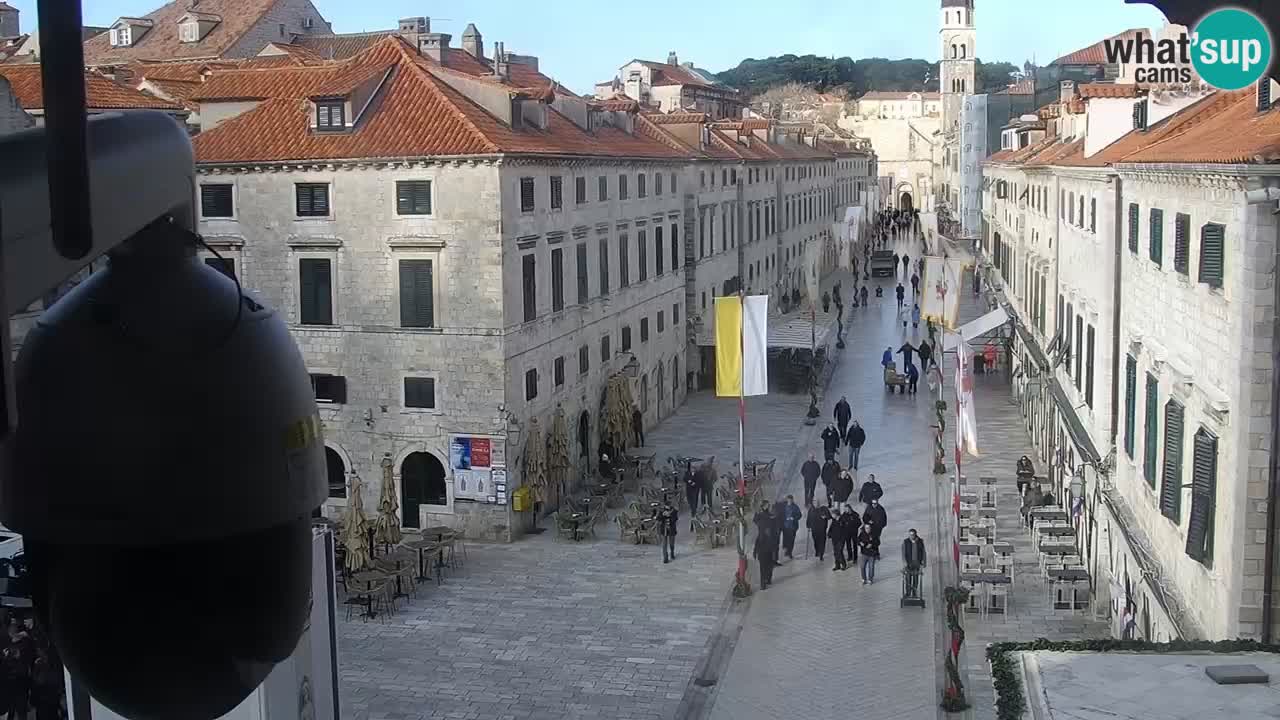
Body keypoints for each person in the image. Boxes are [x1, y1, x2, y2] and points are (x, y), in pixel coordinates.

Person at [753, 502, 778, 589]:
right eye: (766, 505)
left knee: (769, 564)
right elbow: (755, 520)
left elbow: (776, 529)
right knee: (763, 566)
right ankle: (763, 582)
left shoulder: (772, 516)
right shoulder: (761, 516)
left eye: (768, 505)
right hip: (762, 546)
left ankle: (768, 578)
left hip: (769, 546)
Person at [903, 529, 927, 598]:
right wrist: (904, 563)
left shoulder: (920, 541)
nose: (911, 536)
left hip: (917, 563)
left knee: (916, 579)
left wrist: (923, 563)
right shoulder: (906, 542)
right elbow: (903, 553)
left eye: (912, 534)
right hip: (909, 564)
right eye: (910, 534)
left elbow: (923, 552)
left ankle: (914, 592)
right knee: (908, 579)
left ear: (915, 534)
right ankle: (907, 593)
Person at [656, 499, 678, 563]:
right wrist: (663, 515)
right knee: (664, 544)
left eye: (668, 505)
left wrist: (670, 515)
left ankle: (672, 553)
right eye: (666, 505)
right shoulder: (661, 511)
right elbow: (658, 519)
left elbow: (675, 519)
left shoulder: (674, 511)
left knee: (671, 543)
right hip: (664, 529)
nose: (667, 507)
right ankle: (665, 558)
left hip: (671, 529)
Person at [782, 495, 803, 559]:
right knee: (786, 539)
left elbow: (799, 515)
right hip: (785, 526)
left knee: (791, 540)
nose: (790, 501)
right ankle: (786, 549)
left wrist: (793, 518)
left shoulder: (795, 507)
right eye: (789, 499)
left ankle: (790, 552)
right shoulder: (784, 506)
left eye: (791, 500)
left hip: (793, 526)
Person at [828, 506, 848, 572]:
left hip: (841, 539)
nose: (832, 515)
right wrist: (829, 534)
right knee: (835, 552)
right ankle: (837, 565)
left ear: (836, 514)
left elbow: (845, 531)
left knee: (839, 552)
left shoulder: (842, 520)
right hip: (834, 539)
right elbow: (831, 528)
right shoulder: (834, 521)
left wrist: (843, 538)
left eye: (833, 514)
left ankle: (843, 564)